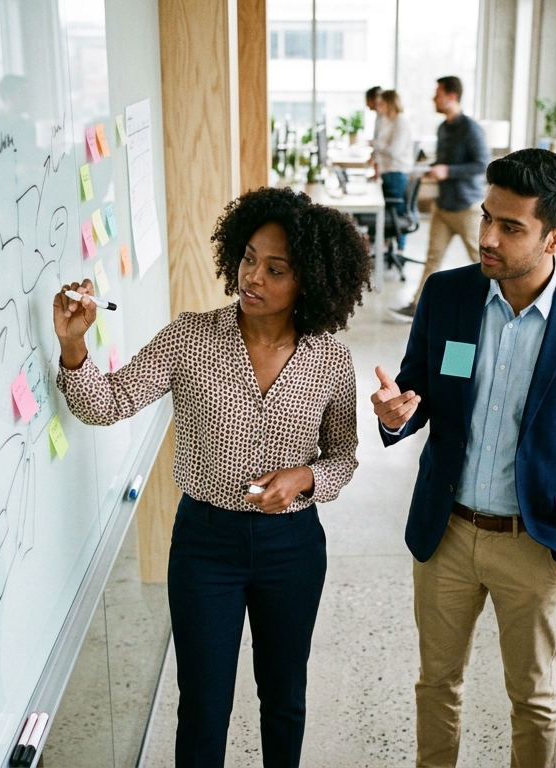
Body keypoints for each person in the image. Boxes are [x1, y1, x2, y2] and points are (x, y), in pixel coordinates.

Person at [53, 187, 373, 767]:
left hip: (291, 546)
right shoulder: (191, 337)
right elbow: (107, 402)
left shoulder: (328, 357)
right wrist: (75, 346)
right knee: (202, 703)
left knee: (284, 697)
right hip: (205, 543)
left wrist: (304, 478)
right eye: (249, 258)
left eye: (276, 270)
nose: (253, 277)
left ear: (311, 280)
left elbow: (344, 455)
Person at [371, 148, 556, 767]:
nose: (486, 236)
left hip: (534, 542)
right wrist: (397, 415)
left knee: (533, 698)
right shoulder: (449, 295)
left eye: (510, 227)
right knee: (437, 683)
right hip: (448, 530)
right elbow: (419, 391)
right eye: (488, 217)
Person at [391, 75, 488, 322]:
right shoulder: (443, 128)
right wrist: (430, 167)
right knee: (432, 260)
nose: (434, 99)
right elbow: (444, 161)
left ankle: (497, 306)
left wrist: (448, 171)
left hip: (466, 208)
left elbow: (482, 164)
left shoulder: (470, 128)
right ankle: (417, 306)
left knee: (482, 260)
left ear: (452, 96)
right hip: (443, 206)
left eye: (438, 94)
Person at [371, 89, 414, 257]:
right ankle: (386, 245)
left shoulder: (400, 122)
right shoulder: (385, 120)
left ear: (389, 103)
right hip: (386, 171)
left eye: (381, 103)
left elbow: (394, 151)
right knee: (389, 208)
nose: (378, 106)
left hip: (397, 172)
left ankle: (400, 250)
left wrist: (376, 144)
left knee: (397, 211)